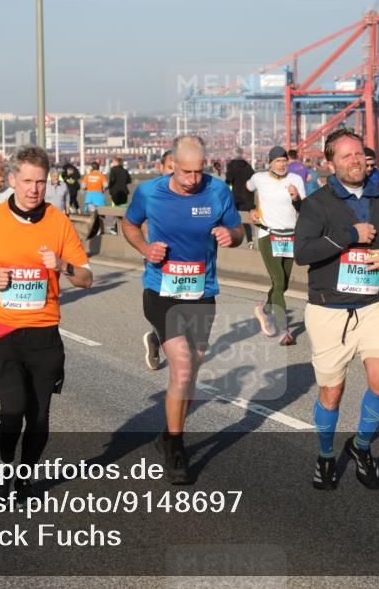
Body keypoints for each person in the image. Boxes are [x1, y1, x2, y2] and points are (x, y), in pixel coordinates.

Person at [0, 146, 93, 503]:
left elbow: (86, 278)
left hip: (44, 335)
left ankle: (25, 476)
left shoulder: (58, 222)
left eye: (40, 182)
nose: (34, 189)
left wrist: (62, 265)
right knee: (13, 406)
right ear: (13, 180)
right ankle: (4, 469)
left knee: (39, 417)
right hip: (2, 331)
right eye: (27, 181)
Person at [122, 135, 243, 484]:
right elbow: (129, 224)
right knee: (183, 365)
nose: (193, 179)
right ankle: (176, 447)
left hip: (201, 292)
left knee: (190, 373)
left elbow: (238, 230)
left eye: (199, 171)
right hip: (161, 291)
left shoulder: (217, 191)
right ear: (171, 164)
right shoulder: (150, 192)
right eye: (186, 172)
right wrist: (145, 248)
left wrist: (230, 236)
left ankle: (167, 434)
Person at [294, 128, 379, 490]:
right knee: (332, 392)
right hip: (330, 310)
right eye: (346, 156)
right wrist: (350, 235)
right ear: (330, 164)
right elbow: (302, 253)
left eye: (359, 154)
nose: (356, 161)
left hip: (374, 304)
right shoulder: (316, 204)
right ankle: (326, 455)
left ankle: (361, 446)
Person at [247, 146, 305, 345]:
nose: (281, 165)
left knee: (284, 283)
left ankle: (264, 310)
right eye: (278, 161)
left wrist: (296, 197)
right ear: (270, 162)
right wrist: (251, 208)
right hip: (268, 234)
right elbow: (244, 190)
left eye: (284, 161)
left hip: (290, 237)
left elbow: (304, 207)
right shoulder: (259, 178)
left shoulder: (296, 179)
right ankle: (283, 330)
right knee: (278, 280)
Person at [225, 147, 255, 246]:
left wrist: (226, 185)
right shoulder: (248, 166)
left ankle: (231, 239)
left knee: (231, 217)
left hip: (235, 196)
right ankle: (250, 241)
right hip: (247, 196)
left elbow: (229, 180)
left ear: (234, 154)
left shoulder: (231, 165)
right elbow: (253, 179)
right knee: (245, 220)